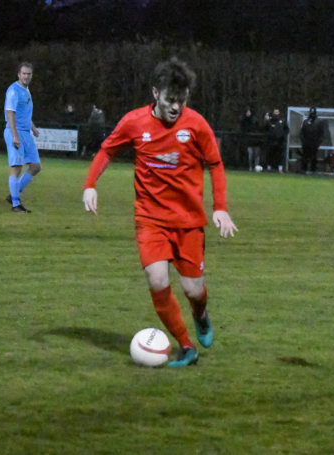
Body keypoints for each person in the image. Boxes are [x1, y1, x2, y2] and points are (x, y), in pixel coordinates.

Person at [82, 57, 237, 367]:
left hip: (188, 221)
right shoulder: (134, 122)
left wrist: (220, 208)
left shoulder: (196, 125)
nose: (176, 107)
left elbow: (215, 164)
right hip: (150, 219)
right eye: (170, 100)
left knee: (193, 288)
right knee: (157, 280)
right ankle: (186, 346)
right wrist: (90, 184)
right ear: (156, 93)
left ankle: (200, 313)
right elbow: (107, 150)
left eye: (182, 100)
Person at [3, 62, 40, 213]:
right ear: (19, 74)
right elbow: (10, 113)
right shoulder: (13, 90)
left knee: (35, 166)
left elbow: (23, 113)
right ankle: (15, 204)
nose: (26, 76)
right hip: (15, 131)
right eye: (24, 73)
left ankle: (14, 194)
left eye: (29, 74)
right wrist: (15, 135)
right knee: (16, 167)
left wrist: (33, 127)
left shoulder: (26, 90)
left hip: (26, 132)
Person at [299, 107, 326, 173]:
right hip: (306, 143)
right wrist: (303, 141)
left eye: (313, 112)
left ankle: (313, 170)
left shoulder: (319, 122)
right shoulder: (305, 121)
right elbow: (301, 132)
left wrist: (318, 143)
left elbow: (322, 134)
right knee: (305, 157)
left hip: (314, 144)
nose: (312, 113)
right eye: (311, 112)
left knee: (314, 157)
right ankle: (304, 169)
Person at [263, 108, 287, 173]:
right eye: (275, 112)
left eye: (277, 112)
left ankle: (280, 169)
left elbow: (286, 130)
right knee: (270, 155)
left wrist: (283, 136)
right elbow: (265, 129)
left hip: (280, 142)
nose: (276, 113)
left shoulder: (282, 121)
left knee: (280, 156)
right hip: (271, 142)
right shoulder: (269, 121)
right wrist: (266, 121)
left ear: (279, 113)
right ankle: (269, 168)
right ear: (273, 113)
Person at [240, 106, 261, 171]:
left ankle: (256, 166)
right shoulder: (243, 120)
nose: (248, 113)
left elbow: (258, 128)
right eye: (247, 112)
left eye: (249, 112)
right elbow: (243, 129)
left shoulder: (255, 120)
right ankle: (250, 167)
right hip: (249, 140)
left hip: (256, 140)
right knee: (250, 154)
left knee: (256, 154)